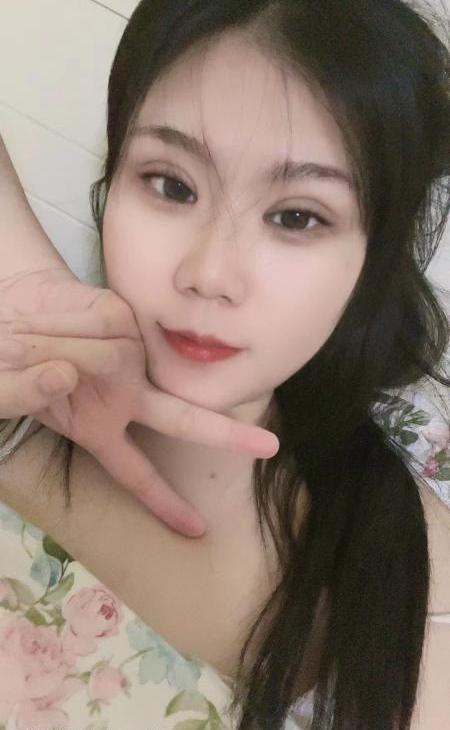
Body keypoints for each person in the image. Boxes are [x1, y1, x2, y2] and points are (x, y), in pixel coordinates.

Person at [0, 1, 449, 728]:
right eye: (171, 184)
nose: (209, 275)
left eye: (297, 216)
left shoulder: (419, 580)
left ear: (371, 263)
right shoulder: (16, 393)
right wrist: (23, 274)